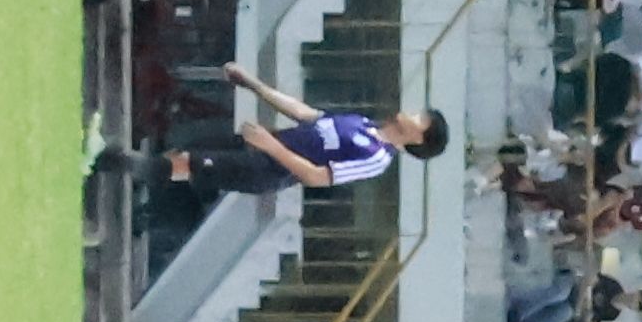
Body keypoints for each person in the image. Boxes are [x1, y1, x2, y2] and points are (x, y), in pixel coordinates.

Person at [174, 61, 449, 200]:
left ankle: (151, 170)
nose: (411, 113)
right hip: (259, 145)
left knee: (190, 163)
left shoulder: (377, 158)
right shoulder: (364, 123)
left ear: (418, 138)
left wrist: (271, 146)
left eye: (419, 119)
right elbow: (306, 114)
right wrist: (253, 85)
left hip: (269, 167)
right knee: (188, 152)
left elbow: (316, 176)